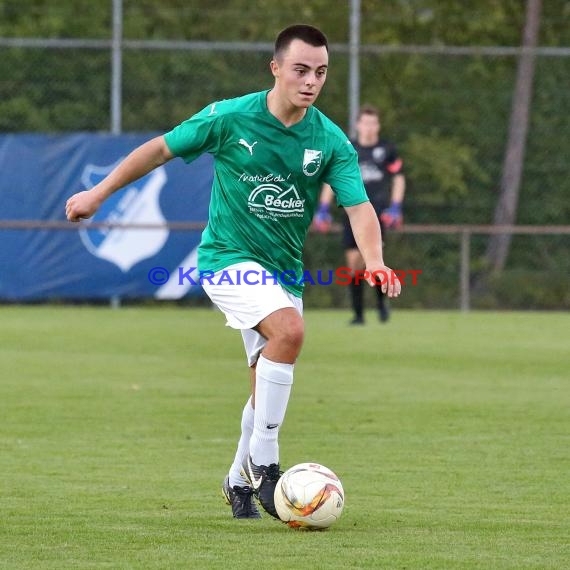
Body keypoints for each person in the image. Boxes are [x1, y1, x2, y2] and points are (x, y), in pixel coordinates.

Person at [65, 25, 401, 521]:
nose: (311, 81)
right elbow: (158, 149)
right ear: (276, 69)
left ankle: (236, 479)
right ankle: (266, 466)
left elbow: (359, 207)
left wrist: (374, 261)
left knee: (262, 387)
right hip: (226, 259)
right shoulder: (230, 116)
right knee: (290, 331)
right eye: (301, 70)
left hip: (283, 273)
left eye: (321, 72)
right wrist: (98, 194)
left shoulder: (329, 140)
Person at [314, 105, 406, 324]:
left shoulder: (387, 150)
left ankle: (382, 304)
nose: (369, 127)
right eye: (365, 122)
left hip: (377, 215)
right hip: (351, 213)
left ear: (378, 126)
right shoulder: (349, 148)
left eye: (373, 123)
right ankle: (358, 314)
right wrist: (323, 208)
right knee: (354, 264)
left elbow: (399, 178)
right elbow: (332, 179)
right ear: (358, 125)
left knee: (373, 261)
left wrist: (395, 206)